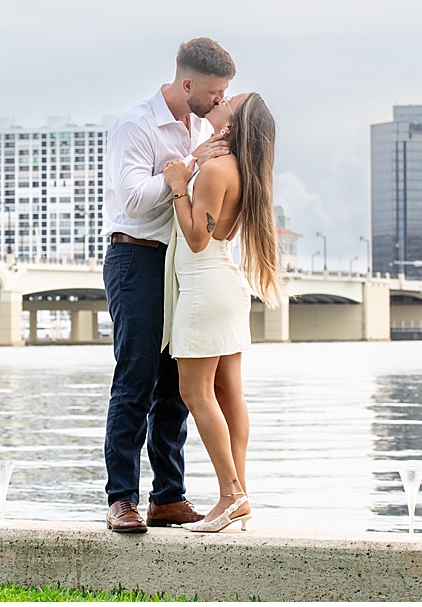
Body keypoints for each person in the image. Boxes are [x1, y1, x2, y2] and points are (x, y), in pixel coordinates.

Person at [101, 37, 238, 533]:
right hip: (135, 258)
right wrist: (187, 168)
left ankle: (168, 497)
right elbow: (134, 200)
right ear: (188, 84)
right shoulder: (136, 124)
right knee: (135, 377)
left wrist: (196, 167)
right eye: (216, 92)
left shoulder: (203, 125)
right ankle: (121, 499)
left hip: (180, 265)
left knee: (176, 387)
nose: (220, 101)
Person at [161, 91, 281, 533]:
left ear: (232, 123)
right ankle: (240, 493)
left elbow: (196, 239)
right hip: (226, 286)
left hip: (203, 287)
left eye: (232, 99)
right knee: (230, 394)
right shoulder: (242, 170)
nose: (223, 98)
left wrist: (178, 185)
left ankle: (230, 495)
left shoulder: (214, 171)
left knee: (196, 394)